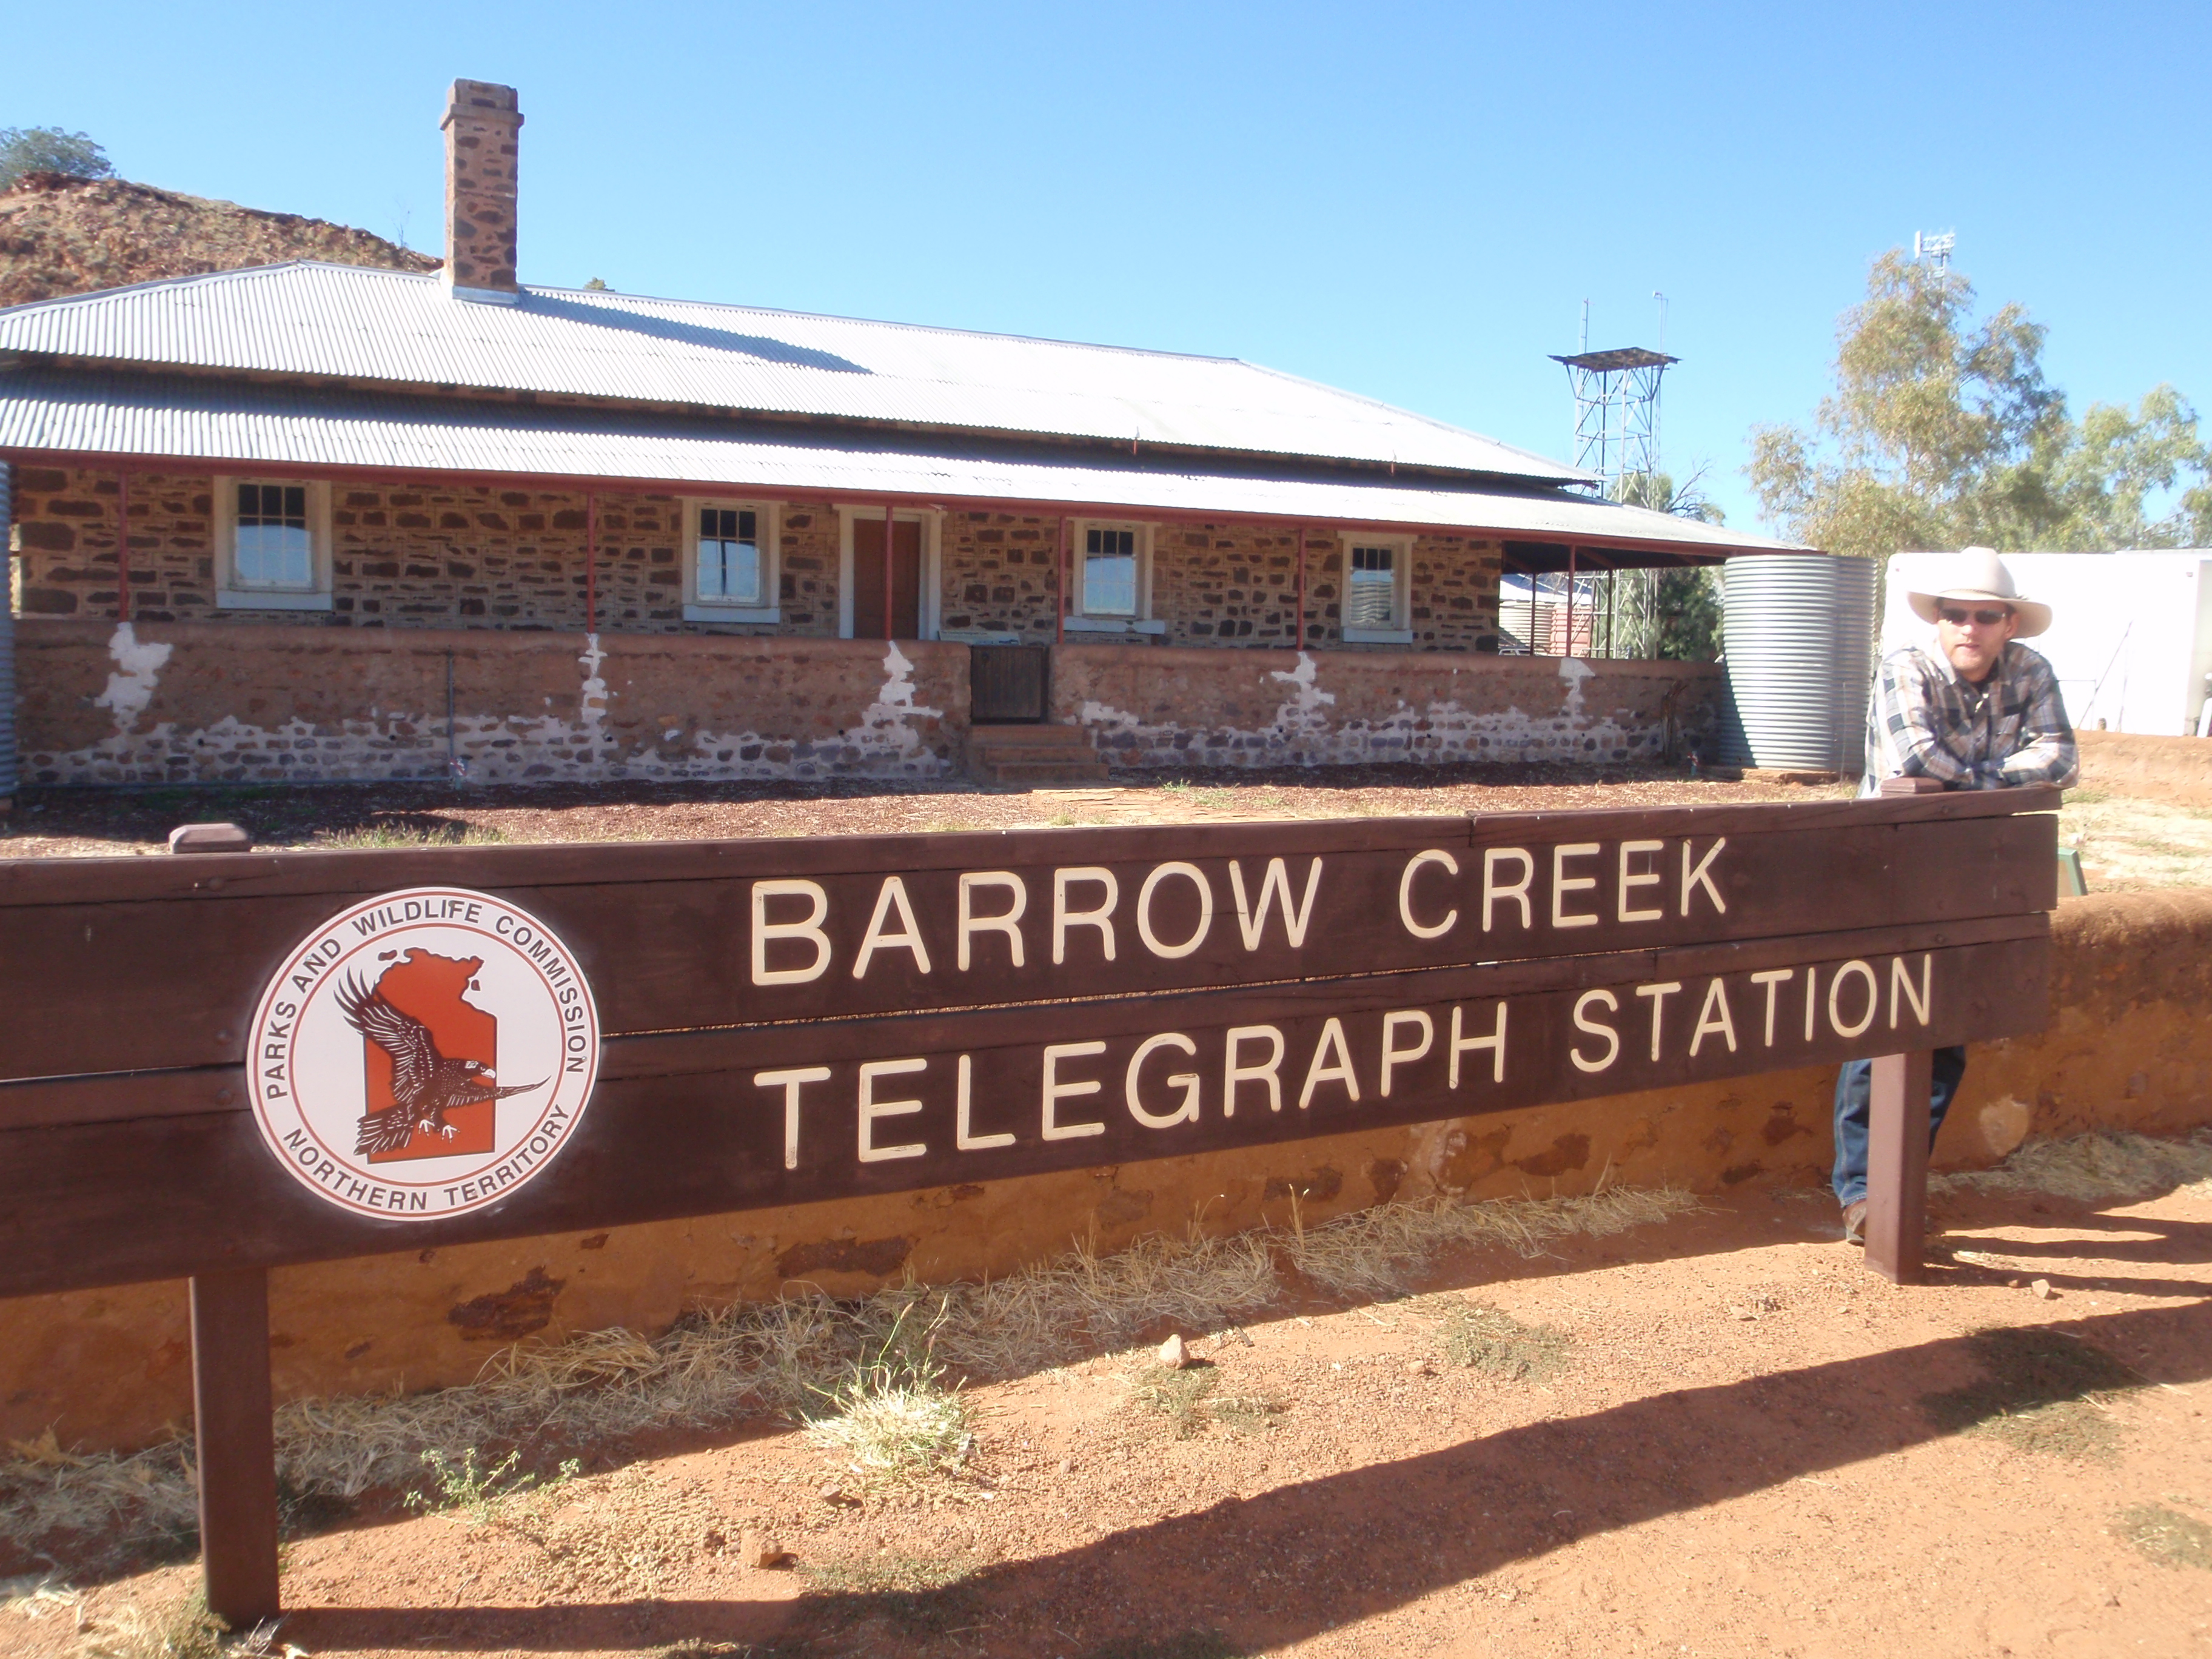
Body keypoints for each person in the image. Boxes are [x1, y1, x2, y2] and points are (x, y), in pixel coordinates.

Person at [1835, 547, 2079, 1242]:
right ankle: (1861, 1192)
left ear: (2010, 624)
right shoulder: (1906, 668)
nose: (1969, 627)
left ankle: (1901, 1186)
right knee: (1876, 1030)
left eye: (1986, 616)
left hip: (1972, 876)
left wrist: (1965, 783)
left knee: (1947, 1035)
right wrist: (2005, 777)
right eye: (1956, 614)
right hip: (1891, 868)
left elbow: (2062, 759)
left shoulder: (2032, 673)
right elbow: (1914, 760)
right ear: (1938, 620)